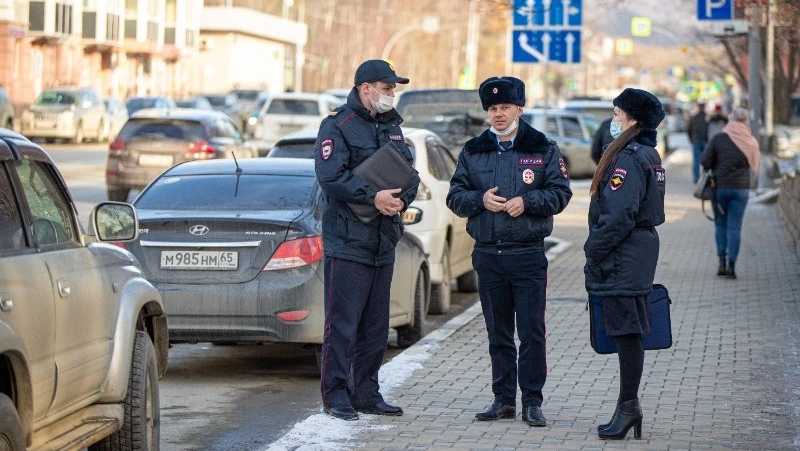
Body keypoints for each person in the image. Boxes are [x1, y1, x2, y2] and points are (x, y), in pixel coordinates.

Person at [446, 76, 572, 427]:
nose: (498, 114)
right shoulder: (473, 150)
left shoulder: (542, 147)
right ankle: (503, 400)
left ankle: (532, 401)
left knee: (531, 331)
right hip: (488, 255)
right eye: (492, 108)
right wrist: (480, 200)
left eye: (505, 107)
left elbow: (561, 194)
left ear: (520, 107)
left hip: (527, 255)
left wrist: (528, 202)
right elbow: (455, 196)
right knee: (498, 333)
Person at [314, 59, 418, 421]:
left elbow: (410, 175)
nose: (391, 95)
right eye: (387, 88)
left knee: (376, 327)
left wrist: (402, 199)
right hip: (348, 240)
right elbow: (331, 176)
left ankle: (367, 392)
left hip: (383, 240)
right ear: (365, 88)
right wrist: (372, 197)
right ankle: (336, 395)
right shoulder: (337, 125)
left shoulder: (392, 127)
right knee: (342, 325)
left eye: (393, 89)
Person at [584, 88, 666, 440]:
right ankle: (627, 406)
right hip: (634, 251)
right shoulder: (646, 153)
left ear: (632, 119)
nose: (612, 120)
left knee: (627, 333)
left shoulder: (629, 157)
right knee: (625, 330)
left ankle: (629, 406)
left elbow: (619, 215)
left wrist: (593, 249)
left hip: (623, 253)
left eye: (617, 113)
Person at [700, 106, 759, 280]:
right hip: (741, 190)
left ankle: (721, 263)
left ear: (731, 120)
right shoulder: (751, 141)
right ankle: (732, 266)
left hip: (720, 188)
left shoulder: (719, 138)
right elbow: (754, 165)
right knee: (735, 226)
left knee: (720, 224)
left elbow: (705, 161)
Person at [687, 102, 708, 183]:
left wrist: (691, 139)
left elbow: (688, 129)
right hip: (705, 141)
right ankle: (705, 178)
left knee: (696, 160)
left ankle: (696, 178)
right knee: (706, 160)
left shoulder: (694, 117)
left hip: (696, 140)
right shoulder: (707, 118)